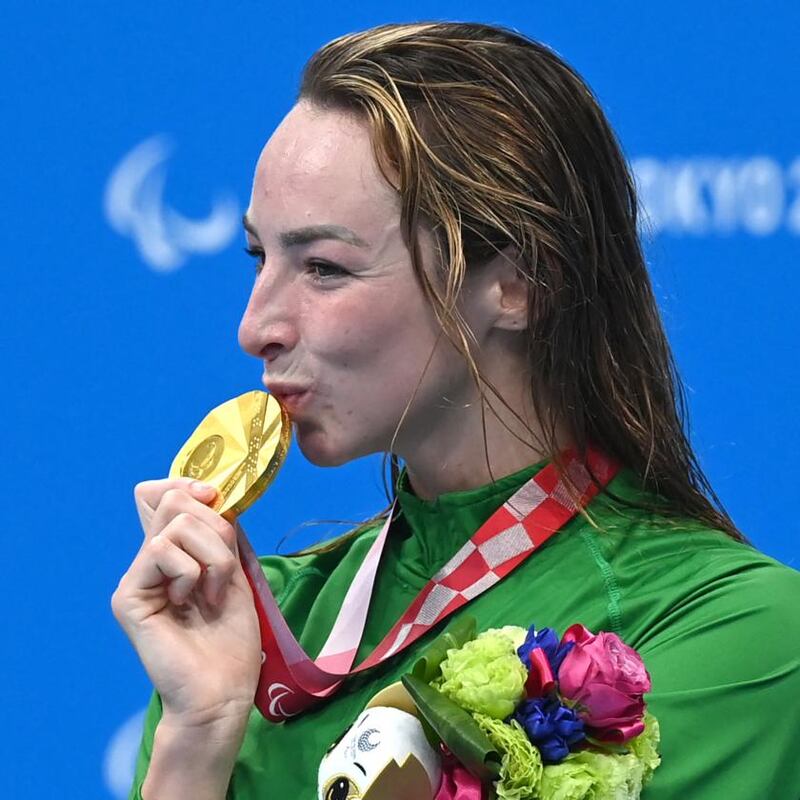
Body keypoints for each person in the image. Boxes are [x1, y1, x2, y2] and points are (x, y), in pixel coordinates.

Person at [112, 21, 800, 800]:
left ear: (518, 282)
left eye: (323, 268)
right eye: (259, 257)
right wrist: (196, 737)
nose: (255, 327)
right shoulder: (245, 640)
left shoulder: (729, 632)